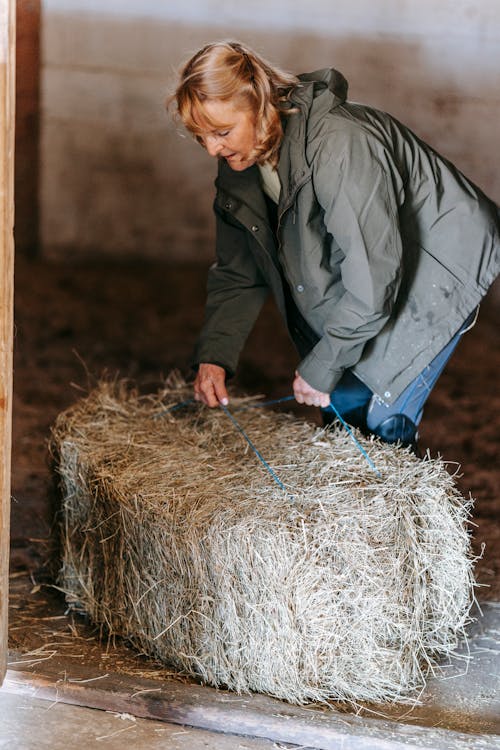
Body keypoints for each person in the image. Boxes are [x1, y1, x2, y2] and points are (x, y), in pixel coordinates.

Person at [172, 40, 500, 447]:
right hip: (379, 263)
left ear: (259, 105)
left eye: (221, 132)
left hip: (440, 255)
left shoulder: (339, 146)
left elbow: (374, 274)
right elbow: (240, 269)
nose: (211, 149)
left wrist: (324, 365)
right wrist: (215, 355)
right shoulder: (239, 164)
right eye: (200, 136)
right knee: (344, 403)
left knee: (383, 410)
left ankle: (398, 501)